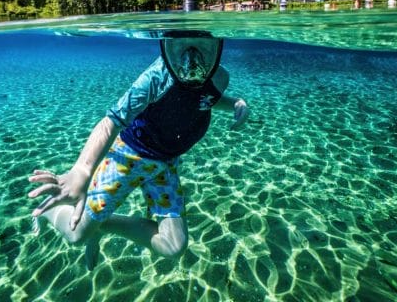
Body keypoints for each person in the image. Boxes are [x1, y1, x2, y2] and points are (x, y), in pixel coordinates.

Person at [27, 31, 249, 269]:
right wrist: (82, 170)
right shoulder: (156, 78)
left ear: (217, 47)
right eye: (181, 49)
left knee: (173, 246)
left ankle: (100, 227)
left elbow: (207, 98)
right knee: (76, 235)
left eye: (202, 49)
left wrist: (235, 103)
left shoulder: (219, 78)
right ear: (167, 47)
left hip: (165, 162)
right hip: (128, 155)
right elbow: (111, 121)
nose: (191, 61)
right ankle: (48, 208)